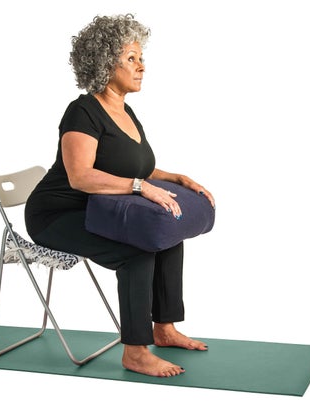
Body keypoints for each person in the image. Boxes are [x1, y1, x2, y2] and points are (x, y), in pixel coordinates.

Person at [24, 13, 216, 378]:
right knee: (136, 252)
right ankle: (136, 351)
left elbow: (136, 166)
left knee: (167, 234)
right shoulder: (82, 111)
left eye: (141, 57)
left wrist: (177, 177)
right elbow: (80, 176)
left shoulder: (125, 111)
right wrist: (142, 188)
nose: (142, 66)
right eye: (131, 58)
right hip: (58, 214)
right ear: (104, 62)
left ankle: (165, 328)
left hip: (99, 209)